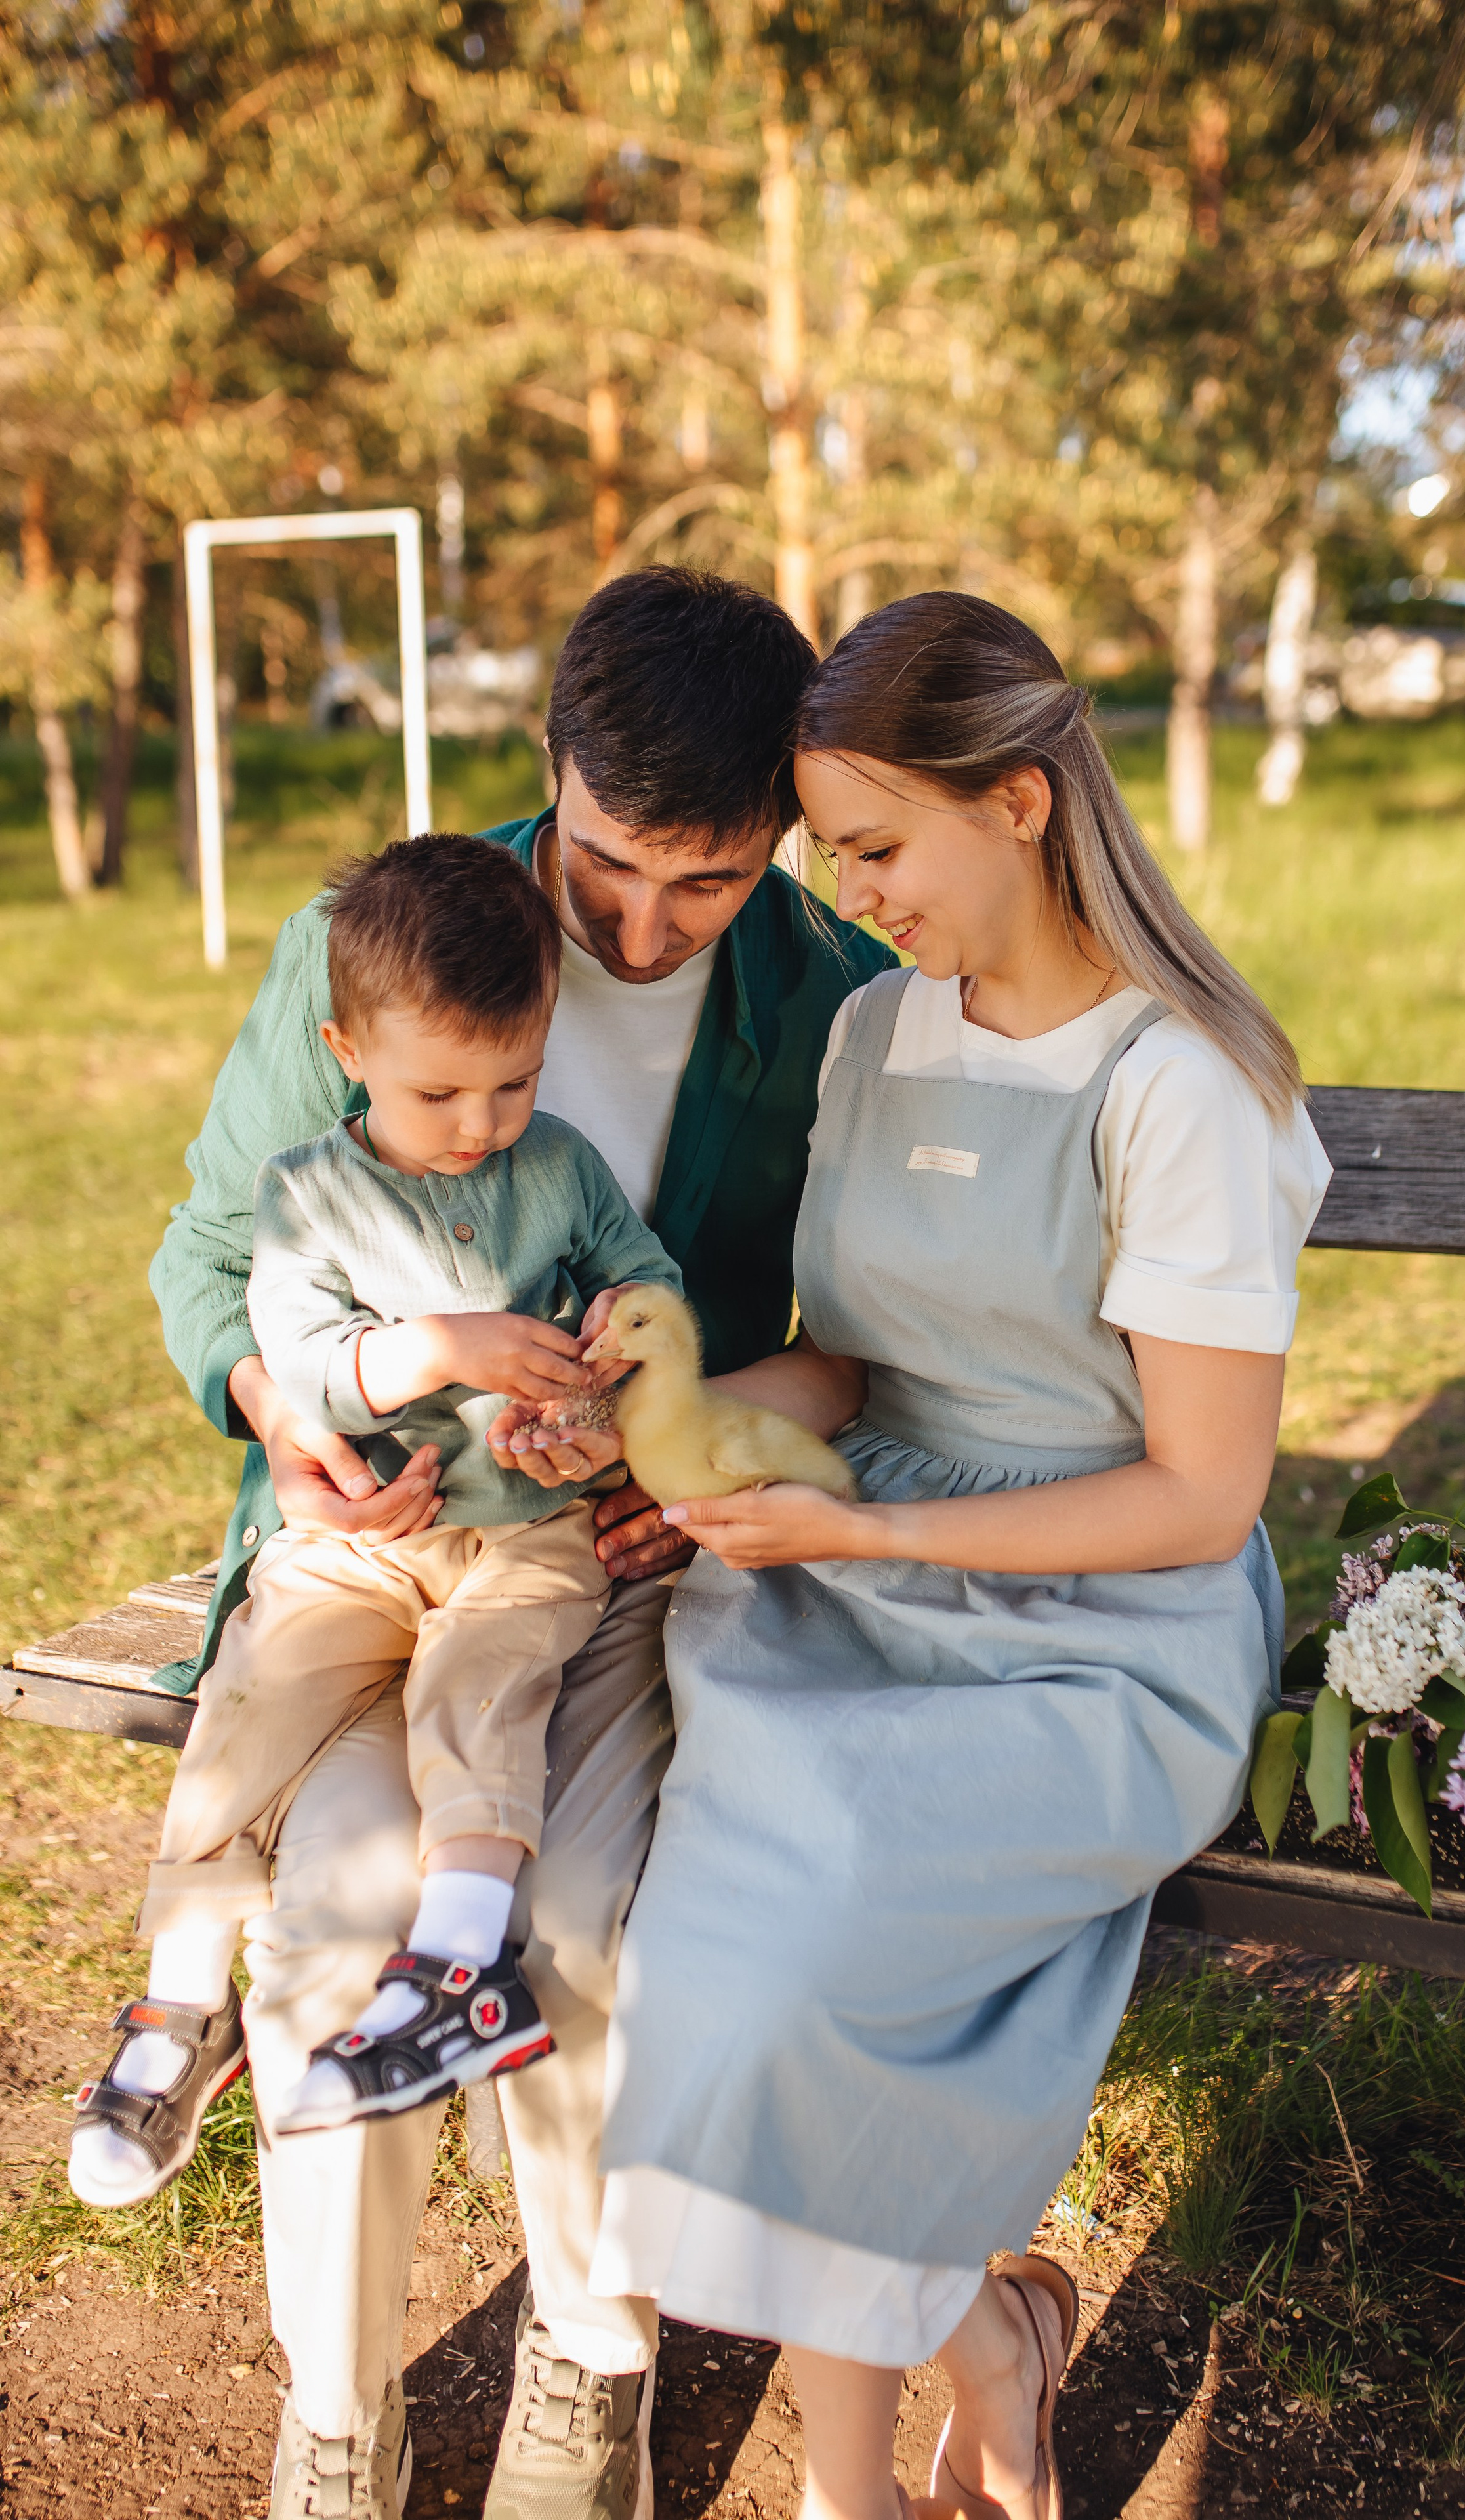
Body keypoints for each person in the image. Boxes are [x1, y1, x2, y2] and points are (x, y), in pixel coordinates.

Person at [145, 568, 890, 2519]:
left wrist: (698, 1433)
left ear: (780, 845)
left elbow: (873, 1347)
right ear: (546, 771)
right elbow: (210, 1260)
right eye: (612, 866)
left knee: (568, 1929)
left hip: (621, 1569)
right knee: (327, 1923)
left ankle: (593, 2352)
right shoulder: (390, 942)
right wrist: (282, 1413)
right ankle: (335, 2413)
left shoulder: (832, 1006)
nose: (646, 933)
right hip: (371, 1561)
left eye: (709, 883)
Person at [587, 592, 1332, 2520]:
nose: (855, 891)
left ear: (1015, 801)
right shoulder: (875, 1027)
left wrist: (872, 1529)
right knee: (720, 1963)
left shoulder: (1182, 1089)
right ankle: (962, 2367)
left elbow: (1201, 1498)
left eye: (877, 847)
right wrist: (642, 1416)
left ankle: (904, 2435)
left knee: (809, 1959)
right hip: (852, 1590)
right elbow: (844, 1357)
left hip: (1105, 1622)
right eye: (835, 853)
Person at [72, 835, 682, 2210]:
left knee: (493, 1688)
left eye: (514, 1082)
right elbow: (308, 1361)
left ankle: (456, 1970)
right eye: (439, 1091)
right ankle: (178, 1997)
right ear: (347, 1047)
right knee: (258, 1696)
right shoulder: (308, 1194)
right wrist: (441, 1350)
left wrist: (610, 1358)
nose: (480, 1123)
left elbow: (646, 1278)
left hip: (529, 1530)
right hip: (370, 1532)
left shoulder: (561, 1169)